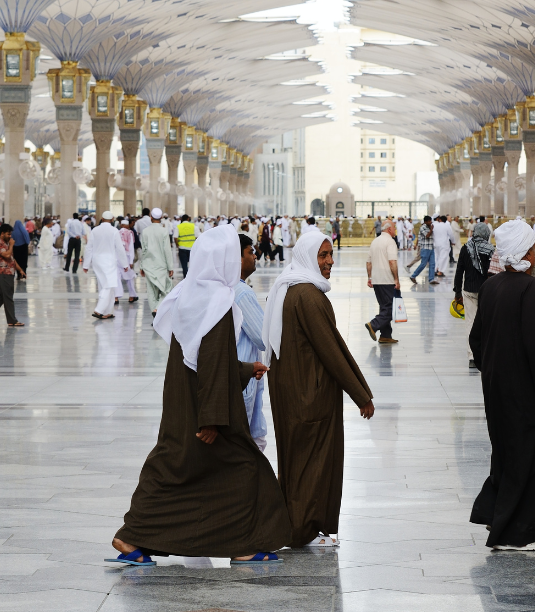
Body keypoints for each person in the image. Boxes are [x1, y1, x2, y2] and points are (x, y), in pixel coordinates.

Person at [110, 225, 292, 565]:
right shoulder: (219, 301)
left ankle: (132, 538)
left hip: (183, 405)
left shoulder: (186, 294)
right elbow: (208, 359)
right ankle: (243, 546)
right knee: (247, 468)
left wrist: (243, 369)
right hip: (206, 411)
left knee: (171, 470)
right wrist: (211, 419)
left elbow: (203, 357)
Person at [469, 218, 535, 552]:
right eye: (532, 245)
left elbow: (476, 341)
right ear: (523, 250)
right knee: (534, 460)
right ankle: (520, 532)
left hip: (498, 393)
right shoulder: (531, 289)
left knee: (507, 457)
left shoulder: (491, 288)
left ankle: (498, 515)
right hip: (528, 398)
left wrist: (495, 371)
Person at [266, 229, 374, 547]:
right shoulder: (310, 296)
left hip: (291, 390)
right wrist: (361, 395)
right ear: (307, 258)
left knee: (296, 460)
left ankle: (297, 525)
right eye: (322, 256)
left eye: (330, 254)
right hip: (309, 396)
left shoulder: (290, 289)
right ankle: (304, 530)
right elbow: (332, 349)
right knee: (312, 462)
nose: (329, 262)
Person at [235, 234, 268, 451]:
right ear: (237, 259)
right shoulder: (242, 293)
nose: (255, 256)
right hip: (244, 373)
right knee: (244, 442)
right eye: (250, 252)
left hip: (242, 372)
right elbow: (262, 336)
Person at [453, 221, 493, 365]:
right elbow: (493, 273)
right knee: (486, 322)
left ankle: (472, 356)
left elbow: (459, 272)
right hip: (486, 291)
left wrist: (457, 292)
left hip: (469, 290)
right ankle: (484, 352)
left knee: (470, 322)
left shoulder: (466, 248)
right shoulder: (490, 249)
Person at [85, 217, 127, 320]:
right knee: (109, 284)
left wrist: (86, 264)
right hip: (109, 261)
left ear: (102, 219)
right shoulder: (114, 230)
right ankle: (99, 310)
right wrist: (125, 264)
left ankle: (108, 311)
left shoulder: (95, 230)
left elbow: (89, 247)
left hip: (97, 261)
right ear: (112, 219)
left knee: (103, 285)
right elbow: (120, 248)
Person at [365, 221, 400, 345]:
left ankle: (385, 335)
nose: (395, 230)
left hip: (376, 280)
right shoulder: (390, 241)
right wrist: (396, 279)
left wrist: (370, 277)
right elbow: (392, 262)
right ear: (389, 229)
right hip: (387, 280)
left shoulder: (375, 241)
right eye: (394, 227)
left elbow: (368, 262)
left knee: (384, 307)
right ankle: (373, 325)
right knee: (390, 309)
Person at [138, 209, 174, 314]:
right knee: (167, 289)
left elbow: (143, 250)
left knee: (151, 292)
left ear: (151, 217)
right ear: (161, 217)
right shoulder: (163, 231)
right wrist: (170, 267)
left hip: (148, 265)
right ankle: (157, 309)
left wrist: (141, 266)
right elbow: (167, 250)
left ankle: (155, 312)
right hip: (161, 265)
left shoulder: (145, 231)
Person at [410, 215, 437, 285]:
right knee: (423, 264)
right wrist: (431, 230)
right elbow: (427, 236)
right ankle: (413, 276)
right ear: (425, 222)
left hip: (431, 248)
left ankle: (431, 279)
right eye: (428, 221)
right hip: (425, 248)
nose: (430, 222)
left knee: (432, 264)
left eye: (430, 221)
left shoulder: (431, 227)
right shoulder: (422, 228)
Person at [176, 213, 196, 277]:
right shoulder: (193, 226)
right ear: (188, 219)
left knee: (184, 265)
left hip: (182, 248)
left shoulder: (179, 227)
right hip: (192, 248)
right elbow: (197, 236)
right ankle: (192, 277)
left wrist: (178, 245)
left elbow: (175, 237)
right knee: (193, 264)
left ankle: (186, 277)